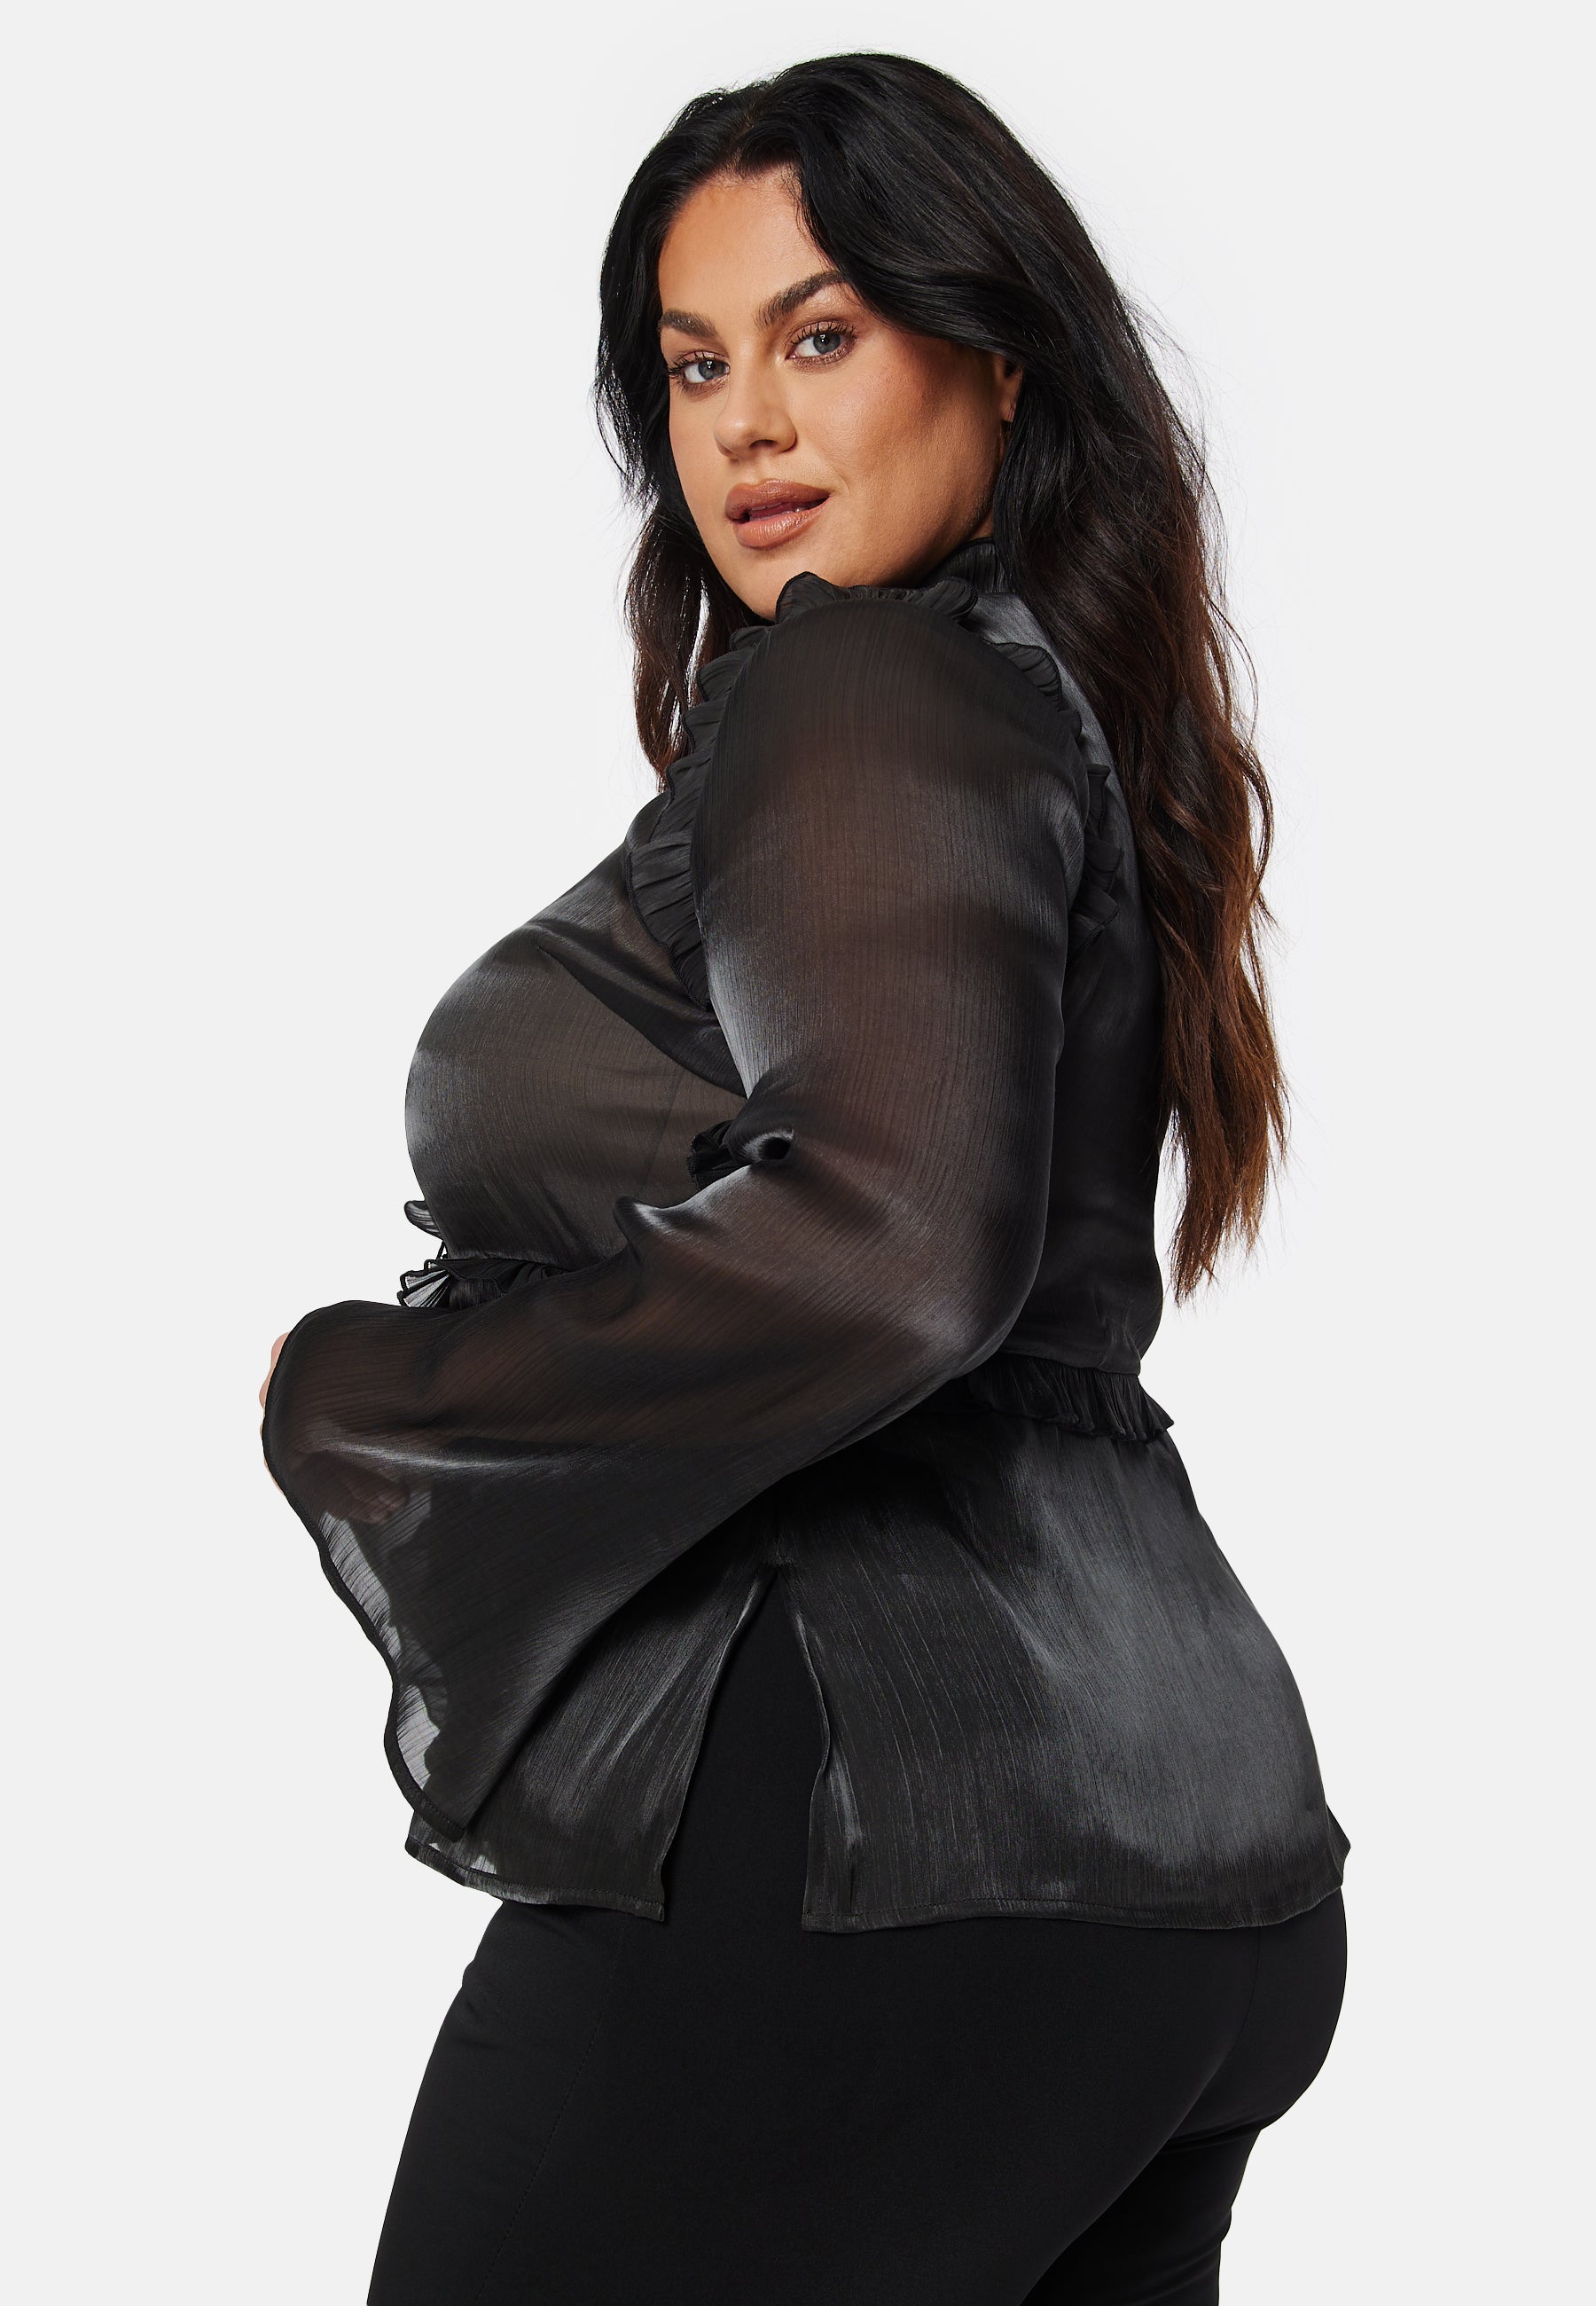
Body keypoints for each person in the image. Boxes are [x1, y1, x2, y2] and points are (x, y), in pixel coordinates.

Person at [261, 51, 1350, 2304]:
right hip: (1189, 1857)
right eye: (694, 365)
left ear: (999, 358)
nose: (747, 423)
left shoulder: (862, 685)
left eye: (821, 334)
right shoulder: (1052, 718)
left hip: (872, 1848)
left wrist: (372, 1398)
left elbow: (888, 1243)